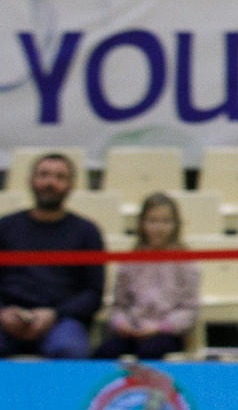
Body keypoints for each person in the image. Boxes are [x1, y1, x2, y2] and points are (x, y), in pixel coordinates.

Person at [0, 153, 103, 358]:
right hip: (6, 319)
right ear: (31, 180)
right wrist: (2, 312)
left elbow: (93, 293)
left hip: (61, 321)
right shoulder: (5, 227)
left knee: (69, 349)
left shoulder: (86, 232)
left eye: (59, 177)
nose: (50, 183)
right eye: (44, 175)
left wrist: (55, 314)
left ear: (71, 185)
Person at [97, 192, 200, 359]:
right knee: (105, 352)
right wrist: (122, 324)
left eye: (165, 221)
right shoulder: (130, 261)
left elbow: (190, 310)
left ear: (175, 225)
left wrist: (161, 327)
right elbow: (119, 305)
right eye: (152, 221)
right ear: (142, 223)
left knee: (149, 351)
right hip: (133, 330)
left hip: (168, 332)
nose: (159, 228)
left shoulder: (186, 263)